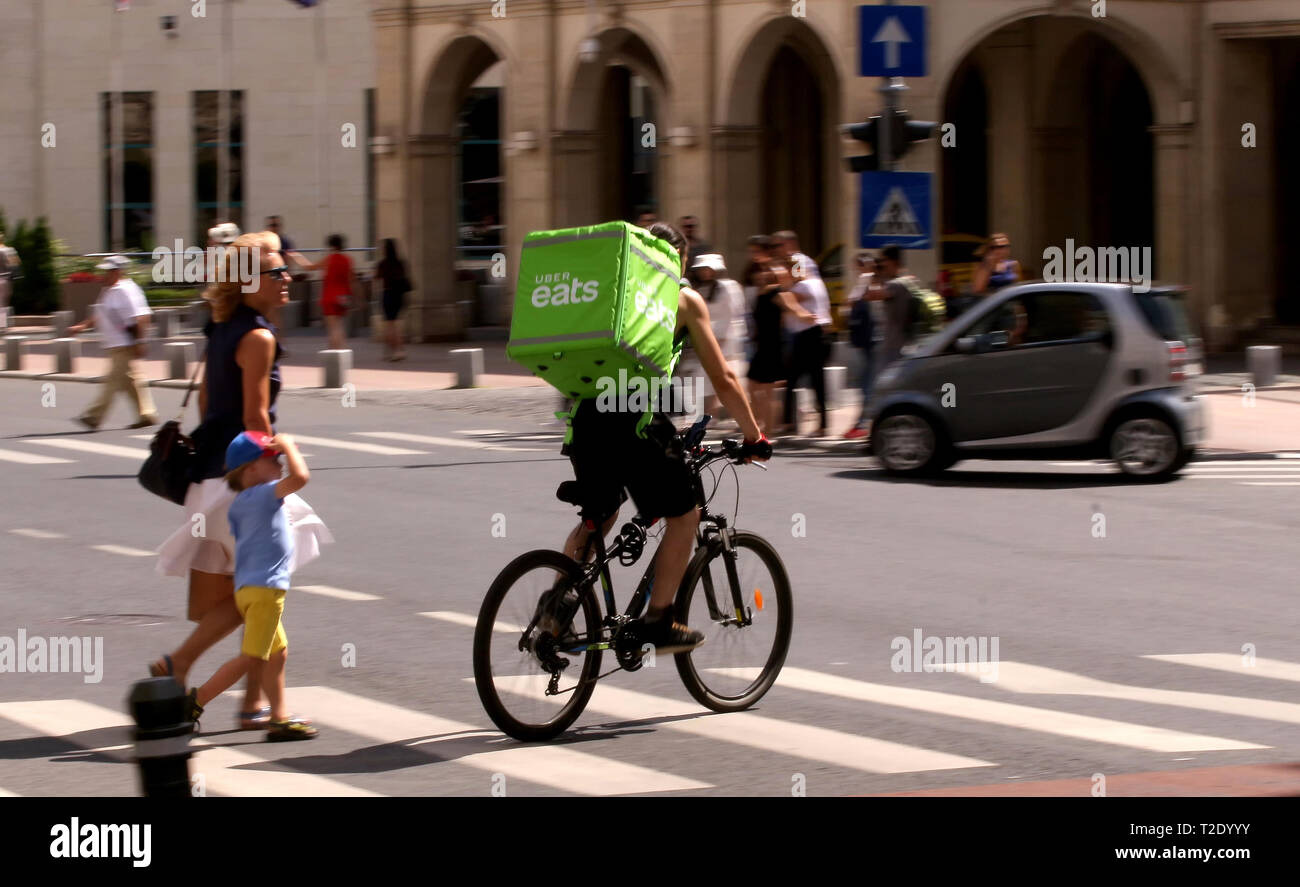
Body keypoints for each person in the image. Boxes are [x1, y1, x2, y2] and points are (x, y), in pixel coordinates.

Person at [558, 222, 770, 653]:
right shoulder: (683, 298)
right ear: (681, 259)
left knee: (599, 515)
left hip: (585, 420)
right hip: (634, 422)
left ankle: (557, 606)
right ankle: (659, 620)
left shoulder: (611, 292)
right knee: (685, 515)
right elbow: (725, 378)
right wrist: (754, 436)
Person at [153, 230, 332, 731]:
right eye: (276, 271)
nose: (287, 278)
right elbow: (256, 420)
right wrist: (275, 461)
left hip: (209, 476)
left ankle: (254, 704)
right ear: (250, 281)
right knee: (258, 589)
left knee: (253, 592)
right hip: (241, 481)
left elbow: (210, 405)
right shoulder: (258, 337)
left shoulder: (222, 328)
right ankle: (183, 665)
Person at [183, 431, 317, 741]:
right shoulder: (262, 495)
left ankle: (279, 717)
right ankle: (195, 702)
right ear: (250, 469)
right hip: (265, 591)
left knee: (277, 653)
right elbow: (301, 477)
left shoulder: (241, 502)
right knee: (253, 658)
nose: (280, 463)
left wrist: (278, 451)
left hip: (250, 590)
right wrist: (286, 443)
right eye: (273, 459)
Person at [66, 256, 158, 431]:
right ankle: (147, 414)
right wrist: (82, 326)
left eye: (108, 271)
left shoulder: (126, 290)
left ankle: (93, 416)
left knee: (112, 381)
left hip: (124, 344)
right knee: (130, 381)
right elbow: (100, 313)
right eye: (105, 271)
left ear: (118, 271)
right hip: (114, 344)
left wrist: (140, 342)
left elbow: (139, 317)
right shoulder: (109, 290)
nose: (105, 274)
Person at [747, 259, 816, 436]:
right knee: (752, 388)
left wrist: (808, 317)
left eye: (768, 271)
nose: (763, 274)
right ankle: (762, 425)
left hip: (772, 347)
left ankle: (767, 432)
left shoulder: (779, 293)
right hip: (760, 346)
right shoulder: (760, 293)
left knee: (767, 392)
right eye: (763, 270)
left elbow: (795, 309)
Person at [684, 253, 747, 419]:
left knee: (723, 378)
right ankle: (710, 414)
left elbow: (730, 314)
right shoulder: (699, 289)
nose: (705, 272)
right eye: (703, 269)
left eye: (709, 269)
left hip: (723, 339)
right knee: (707, 378)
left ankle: (726, 414)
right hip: (707, 336)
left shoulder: (728, 287)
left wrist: (721, 338)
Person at [779, 254, 833, 437]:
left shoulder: (803, 285)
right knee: (817, 381)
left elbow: (786, 300)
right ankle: (822, 424)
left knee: (793, 379)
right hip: (820, 335)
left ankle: (788, 423)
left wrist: (799, 312)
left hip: (807, 337)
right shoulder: (818, 283)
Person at [288, 233, 354, 350]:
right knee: (339, 326)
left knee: (333, 328)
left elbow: (310, 267)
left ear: (331, 246)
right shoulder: (348, 260)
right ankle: (343, 352)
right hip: (343, 296)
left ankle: (334, 353)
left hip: (329, 296)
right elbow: (351, 280)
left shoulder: (329, 259)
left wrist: (296, 256)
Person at [843, 253, 880, 441]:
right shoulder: (865, 281)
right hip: (866, 341)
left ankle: (863, 424)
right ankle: (863, 423)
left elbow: (851, 304)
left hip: (870, 341)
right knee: (866, 383)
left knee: (867, 384)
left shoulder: (869, 281)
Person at [868, 245, 913, 370]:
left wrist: (875, 275)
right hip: (901, 342)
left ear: (893, 262)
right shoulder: (906, 281)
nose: (882, 264)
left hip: (893, 346)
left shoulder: (895, 285)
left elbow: (871, 295)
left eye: (884, 261)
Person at [374, 238, 411, 361]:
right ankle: (399, 350)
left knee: (389, 325)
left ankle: (394, 351)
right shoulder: (400, 263)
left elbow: (377, 278)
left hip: (388, 294)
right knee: (397, 324)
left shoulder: (382, 264)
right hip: (399, 295)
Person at [971, 232, 1021, 298]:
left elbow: (1019, 288)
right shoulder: (983, 266)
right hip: (992, 302)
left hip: (1009, 301)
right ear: (990, 249)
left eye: (1006, 246)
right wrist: (988, 265)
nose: (1003, 250)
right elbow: (977, 290)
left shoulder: (1014, 264)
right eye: (998, 247)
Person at [0, 230, 20, 323]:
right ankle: (2, 324)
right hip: (5, 279)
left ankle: (2, 324)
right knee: (3, 303)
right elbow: (16, 264)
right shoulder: (9, 250)